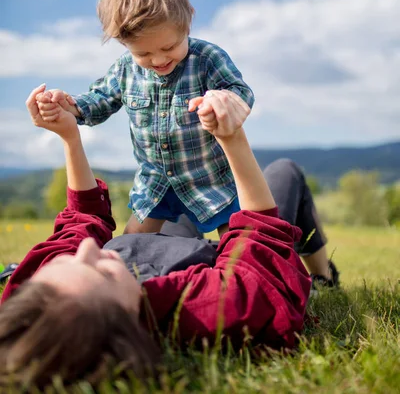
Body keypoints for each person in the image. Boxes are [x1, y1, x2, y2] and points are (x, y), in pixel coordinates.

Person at [0, 84, 313, 389]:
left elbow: (82, 221)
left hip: (159, 242)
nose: (85, 249)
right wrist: (231, 140)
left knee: (180, 194)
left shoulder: (42, 301)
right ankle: (323, 272)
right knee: (285, 171)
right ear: (131, 322)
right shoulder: (205, 307)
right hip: (206, 256)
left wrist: (70, 137)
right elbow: (258, 241)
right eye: (104, 273)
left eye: (65, 263)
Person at [37, 0, 254, 237]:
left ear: (188, 22)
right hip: (155, 186)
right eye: (144, 54)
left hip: (209, 181)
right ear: (125, 45)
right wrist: (72, 106)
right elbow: (101, 99)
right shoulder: (126, 69)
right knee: (129, 247)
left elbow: (239, 91)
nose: (159, 60)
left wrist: (222, 101)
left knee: (238, 244)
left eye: (169, 47)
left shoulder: (207, 59)